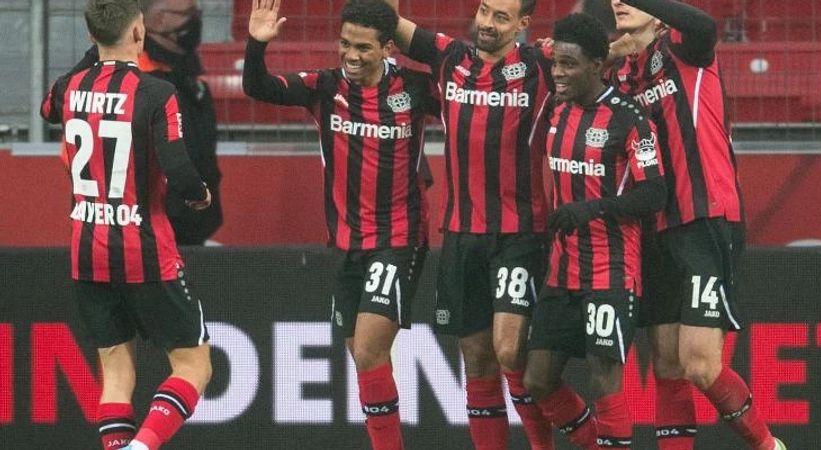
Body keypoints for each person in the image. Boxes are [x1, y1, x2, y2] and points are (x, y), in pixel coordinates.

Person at [242, 1, 437, 448]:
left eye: (363, 47)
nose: (351, 55)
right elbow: (257, 87)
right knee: (363, 356)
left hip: (400, 237)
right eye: (345, 43)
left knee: (369, 350)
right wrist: (257, 43)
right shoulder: (324, 87)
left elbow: (471, 111)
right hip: (348, 241)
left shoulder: (417, 89)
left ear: (388, 48)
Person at [606, 1, 786, 449]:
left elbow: (703, 22)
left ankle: (767, 445)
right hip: (653, 228)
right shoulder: (622, 73)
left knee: (700, 365)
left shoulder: (686, 50)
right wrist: (608, 52)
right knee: (665, 365)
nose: (618, 2)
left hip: (706, 219)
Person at [383, 0, 557, 448]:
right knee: (477, 361)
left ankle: (550, 443)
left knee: (509, 351)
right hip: (462, 235)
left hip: (521, 234)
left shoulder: (541, 65)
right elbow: (387, 21)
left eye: (501, 16)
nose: (487, 22)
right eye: (484, 10)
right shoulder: (450, 58)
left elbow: (602, 56)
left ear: (523, 24)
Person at [39, 1, 213, 450]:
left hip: (86, 247)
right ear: (139, 31)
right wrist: (200, 195)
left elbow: (47, 107)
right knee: (194, 366)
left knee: (116, 374)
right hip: (143, 246)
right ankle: (141, 447)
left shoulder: (70, 87)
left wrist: (95, 46)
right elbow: (180, 172)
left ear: (91, 34)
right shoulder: (156, 92)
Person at [522, 13, 666, 449]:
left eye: (569, 65)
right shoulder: (556, 108)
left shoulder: (629, 119)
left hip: (611, 271)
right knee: (537, 380)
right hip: (561, 274)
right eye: (556, 64)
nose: (559, 74)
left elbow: (654, 193)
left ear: (597, 65)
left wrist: (597, 208)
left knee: (604, 379)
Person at [141, 0, 223, 246]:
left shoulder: (192, 83)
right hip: (149, 239)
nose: (195, 21)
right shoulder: (132, 83)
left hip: (192, 235)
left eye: (196, 13)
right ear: (157, 20)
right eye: (186, 14)